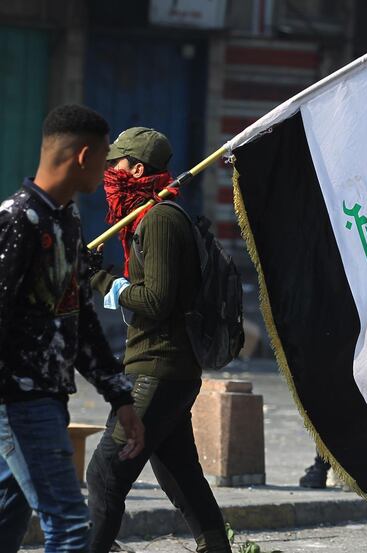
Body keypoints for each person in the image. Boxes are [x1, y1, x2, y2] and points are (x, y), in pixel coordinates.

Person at [0, 104, 144, 552]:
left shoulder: (67, 222)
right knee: (68, 525)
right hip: (19, 401)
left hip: (48, 396)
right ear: (83, 157)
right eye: (104, 160)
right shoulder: (17, 221)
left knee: (6, 519)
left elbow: (78, 318)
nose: (105, 172)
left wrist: (119, 395)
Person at [85, 127, 231, 553]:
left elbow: (158, 300)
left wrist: (98, 277)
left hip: (159, 369)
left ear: (137, 169)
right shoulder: (149, 217)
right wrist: (105, 275)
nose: (110, 173)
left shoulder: (162, 218)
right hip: (165, 369)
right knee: (180, 474)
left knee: (105, 476)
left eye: (116, 165)